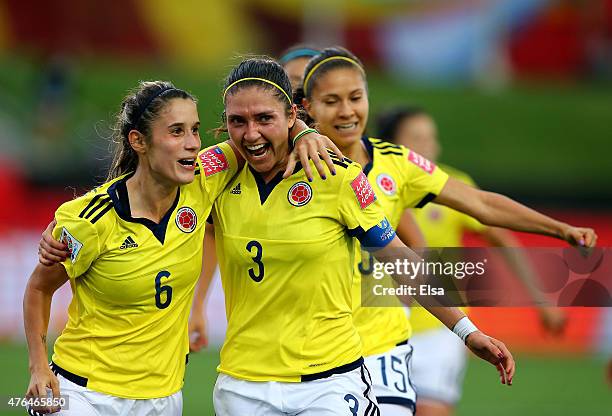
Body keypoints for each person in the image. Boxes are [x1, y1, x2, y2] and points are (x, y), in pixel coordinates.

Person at [39, 58, 515, 416]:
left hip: (331, 381)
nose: (250, 134)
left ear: (290, 115)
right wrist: (65, 227)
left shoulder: (337, 176)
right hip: (243, 387)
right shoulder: (213, 173)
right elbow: (141, 182)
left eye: (264, 118)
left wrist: (466, 330)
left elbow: (398, 256)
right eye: (237, 122)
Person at [297, 46, 596, 416]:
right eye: (332, 101)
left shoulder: (397, 164)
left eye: (356, 98)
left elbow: (481, 204)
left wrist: (558, 228)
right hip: (313, 351)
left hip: (382, 347)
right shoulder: (288, 169)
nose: (347, 111)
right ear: (307, 107)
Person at [25, 80, 343, 416]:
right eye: (176, 132)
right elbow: (38, 288)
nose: (192, 144)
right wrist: (38, 367)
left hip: (164, 400)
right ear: (139, 141)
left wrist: (304, 132)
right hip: (84, 393)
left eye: (195, 130)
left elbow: (261, 133)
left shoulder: (203, 180)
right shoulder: (90, 219)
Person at [376, 105, 568, 416]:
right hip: (379, 329)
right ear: (391, 146)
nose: (429, 146)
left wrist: (542, 300)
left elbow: (501, 238)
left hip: (439, 332)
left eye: (432, 137)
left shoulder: (451, 184)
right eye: (417, 138)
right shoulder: (371, 184)